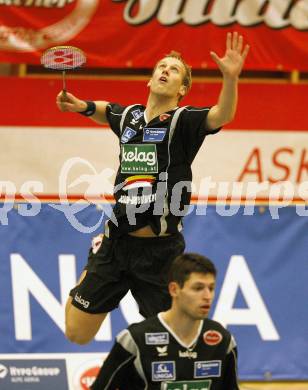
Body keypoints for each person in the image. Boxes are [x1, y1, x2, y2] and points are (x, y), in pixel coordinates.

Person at [57, 32, 249, 345]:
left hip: (160, 253)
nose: (165, 71)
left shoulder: (183, 122)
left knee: (174, 337)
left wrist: (230, 78)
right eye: (161, 66)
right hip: (116, 244)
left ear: (182, 89)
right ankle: (95, 259)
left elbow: (222, 114)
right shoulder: (130, 116)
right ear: (150, 80)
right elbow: (109, 111)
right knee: (77, 334)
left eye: (174, 70)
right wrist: (83, 106)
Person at [90, 253, 239, 390]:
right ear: (174, 289)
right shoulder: (135, 340)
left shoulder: (223, 341)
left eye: (211, 288)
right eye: (198, 288)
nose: (208, 296)